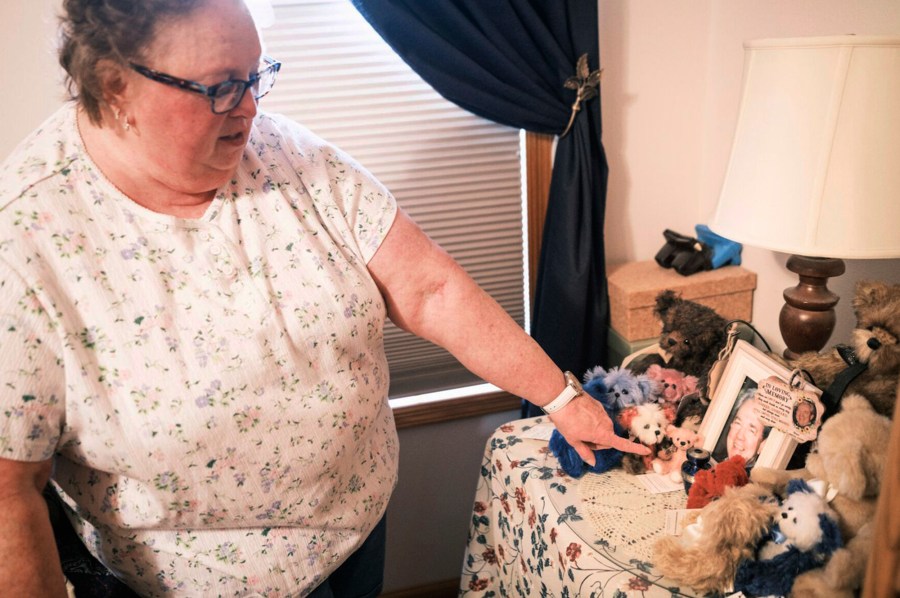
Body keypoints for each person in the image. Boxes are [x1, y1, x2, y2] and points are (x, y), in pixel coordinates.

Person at [0, 1, 648, 596]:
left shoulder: (286, 153)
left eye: (257, 76)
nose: (250, 106)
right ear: (116, 88)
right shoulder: (26, 244)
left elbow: (430, 288)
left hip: (354, 534)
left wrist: (559, 396)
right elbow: (10, 498)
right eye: (223, 86)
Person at [713, 386, 769, 465]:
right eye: (738, 423)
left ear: (763, 444)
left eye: (751, 431)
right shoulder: (712, 462)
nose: (739, 436)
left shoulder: (755, 477)